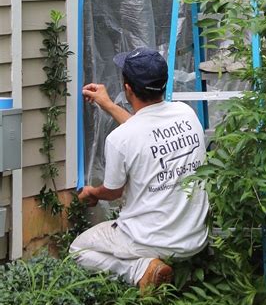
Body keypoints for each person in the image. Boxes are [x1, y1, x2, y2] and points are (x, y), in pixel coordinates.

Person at [70, 47, 209, 291]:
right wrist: (108, 105)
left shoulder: (119, 139)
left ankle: (141, 270)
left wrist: (91, 193)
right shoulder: (187, 114)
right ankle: (161, 267)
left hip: (151, 238)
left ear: (127, 89)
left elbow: (112, 193)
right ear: (164, 83)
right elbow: (145, 132)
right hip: (194, 235)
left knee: (78, 250)